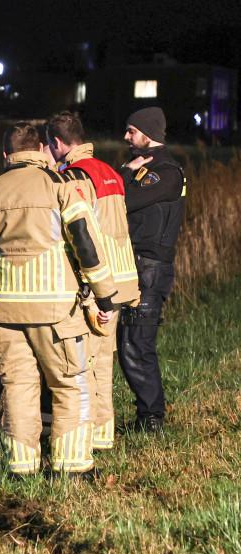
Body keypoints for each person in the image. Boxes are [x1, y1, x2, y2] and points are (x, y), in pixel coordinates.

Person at [0, 123, 117, 478]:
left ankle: (22, 466)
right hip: (55, 309)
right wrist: (105, 295)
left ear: (6, 155)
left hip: (4, 311)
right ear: (41, 150)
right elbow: (86, 243)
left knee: (18, 388)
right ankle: (73, 467)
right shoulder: (60, 185)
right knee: (70, 383)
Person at [47, 110, 141, 451]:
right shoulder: (109, 172)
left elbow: (81, 236)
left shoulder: (74, 177)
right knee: (103, 362)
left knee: (83, 365)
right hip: (121, 279)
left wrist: (88, 287)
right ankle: (103, 436)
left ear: (56, 143)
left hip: (97, 283)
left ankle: (86, 436)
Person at [118, 106, 186, 432]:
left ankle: (151, 420)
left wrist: (127, 173)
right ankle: (148, 415)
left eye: (132, 131)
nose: (126, 137)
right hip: (138, 266)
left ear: (148, 133)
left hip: (150, 268)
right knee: (130, 343)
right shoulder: (148, 168)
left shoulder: (166, 171)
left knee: (136, 344)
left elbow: (121, 201)